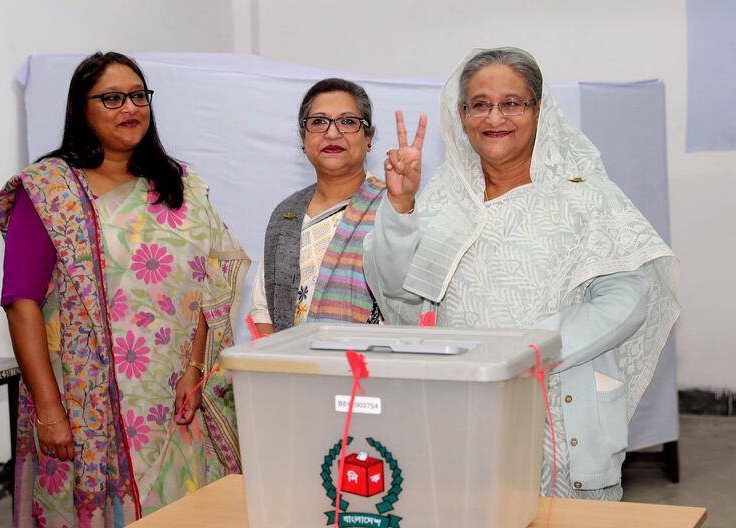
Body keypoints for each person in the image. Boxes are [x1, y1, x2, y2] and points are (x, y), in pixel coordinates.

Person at [363, 47, 679, 500]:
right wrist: (399, 206)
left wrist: (527, 347)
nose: (495, 117)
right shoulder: (441, 199)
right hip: (464, 407)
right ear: (462, 114)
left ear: (539, 109)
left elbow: (628, 297)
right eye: (479, 103)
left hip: (559, 410)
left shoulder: (584, 194)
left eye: (512, 102)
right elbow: (397, 291)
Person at [0, 52, 250, 526]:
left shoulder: (180, 184)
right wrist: (50, 411)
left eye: (138, 96)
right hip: (86, 407)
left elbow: (210, 284)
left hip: (178, 401)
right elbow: (22, 302)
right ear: (81, 108)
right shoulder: (50, 191)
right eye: (111, 98)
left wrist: (194, 370)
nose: (129, 108)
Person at [249, 78, 385, 335]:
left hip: (368, 367)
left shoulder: (392, 208)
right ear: (303, 138)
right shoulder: (285, 214)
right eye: (319, 122)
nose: (332, 133)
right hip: (290, 368)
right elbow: (263, 308)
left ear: (369, 137)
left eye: (347, 121)